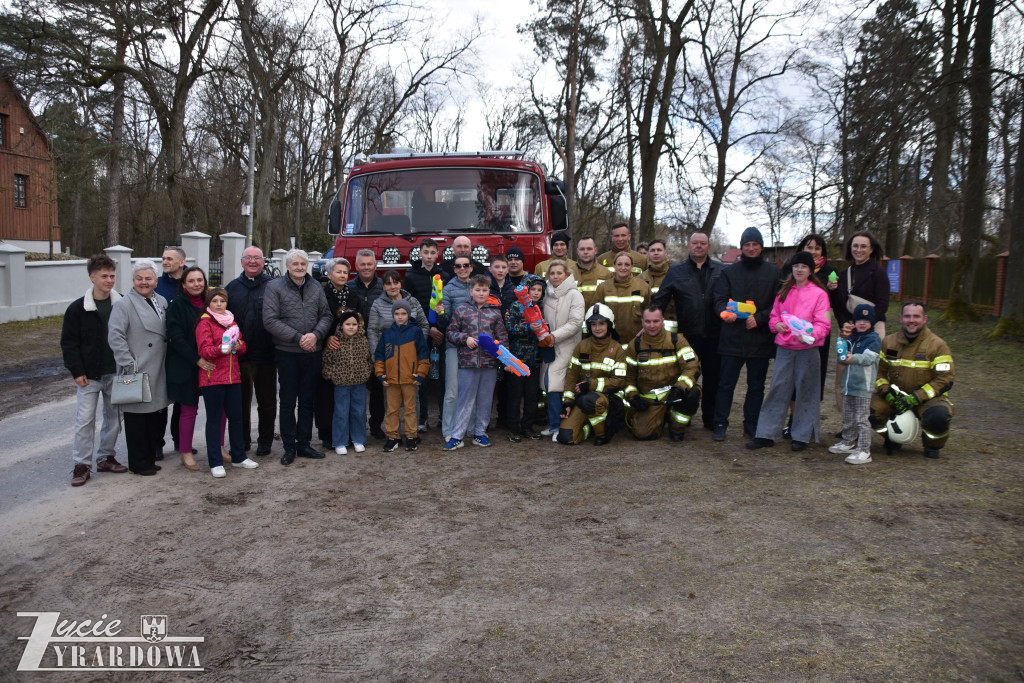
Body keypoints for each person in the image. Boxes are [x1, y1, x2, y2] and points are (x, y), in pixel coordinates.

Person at [746, 251, 832, 451]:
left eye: (803, 267)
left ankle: (801, 435)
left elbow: (823, 324)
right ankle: (766, 433)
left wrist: (811, 335)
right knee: (777, 388)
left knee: (806, 391)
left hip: (808, 349)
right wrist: (776, 326)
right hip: (785, 348)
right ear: (792, 269)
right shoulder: (784, 290)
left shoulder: (820, 294)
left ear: (810, 270)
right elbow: (775, 316)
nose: (799, 270)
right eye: (796, 266)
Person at [61, 254, 127, 486]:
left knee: (114, 419)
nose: (109, 280)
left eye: (112, 276)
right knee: (85, 420)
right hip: (89, 375)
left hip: (115, 373)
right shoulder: (78, 308)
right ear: (92, 277)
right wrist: (77, 371)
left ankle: (106, 457)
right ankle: (82, 464)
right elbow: (69, 342)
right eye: (104, 276)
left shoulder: (121, 304)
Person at [263, 248, 333, 465]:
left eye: (303, 264)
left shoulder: (315, 287)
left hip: (312, 352)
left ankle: (303, 443)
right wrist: (298, 337)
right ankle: (289, 446)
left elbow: (326, 315)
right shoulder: (274, 287)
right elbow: (270, 320)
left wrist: (315, 335)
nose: (300, 267)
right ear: (287, 266)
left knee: (307, 400)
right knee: (287, 401)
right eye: (295, 264)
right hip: (287, 353)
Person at [711, 227, 781, 442]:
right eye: (747, 245)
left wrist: (759, 318)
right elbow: (719, 299)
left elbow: (779, 304)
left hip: (759, 339)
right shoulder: (728, 272)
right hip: (732, 338)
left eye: (755, 245)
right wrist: (725, 314)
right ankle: (720, 423)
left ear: (761, 247)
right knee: (725, 385)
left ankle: (751, 424)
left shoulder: (774, 273)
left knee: (756, 386)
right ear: (741, 247)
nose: (751, 248)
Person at [107, 259, 171, 476]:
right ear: (133, 280)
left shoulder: (161, 300)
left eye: (148, 278)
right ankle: (138, 462)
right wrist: (128, 363)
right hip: (138, 368)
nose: (144, 282)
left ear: (155, 280)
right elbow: (115, 336)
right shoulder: (124, 304)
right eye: (139, 278)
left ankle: (149, 457)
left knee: (154, 416)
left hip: (158, 366)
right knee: (136, 418)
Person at [653, 231, 722, 430]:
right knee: (686, 378)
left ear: (708, 247)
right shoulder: (676, 271)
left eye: (703, 243)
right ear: (689, 246)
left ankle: (711, 419)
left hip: (715, 335)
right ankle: (683, 414)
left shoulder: (720, 270)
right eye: (695, 243)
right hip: (688, 336)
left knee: (713, 380)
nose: (698, 246)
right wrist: (649, 322)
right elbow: (661, 299)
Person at [869, 302, 955, 459]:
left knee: (939, 415)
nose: (911, 320)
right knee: (870, 409)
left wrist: (916, 398)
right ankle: (893, 437)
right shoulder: (889, 342)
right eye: (907, 316)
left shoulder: (938, 345)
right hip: (896, 397)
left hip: (928, 399)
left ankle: (932, 444)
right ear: (901, 318)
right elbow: (877, 372)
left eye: (916, 316)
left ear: (925, 319)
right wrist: (886, 391)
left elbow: (945, 378)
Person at [195, 288, 260, 477]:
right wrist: (223, 348)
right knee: (214, 420)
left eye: (222, 301)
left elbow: (241, 345)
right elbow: (204, 350)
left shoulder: (231, 321)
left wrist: (238, 346)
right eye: (215, 301)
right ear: (209, 303)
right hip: (213, 378)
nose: (219, 304)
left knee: (237, 417)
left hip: (233, 377)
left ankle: (239, 456)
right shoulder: (205, 323)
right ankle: (215, 462)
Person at [778, 233, 838, 437]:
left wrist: (835, 290)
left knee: (812, 381)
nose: (812, 251)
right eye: (808, 247)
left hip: (816, 337)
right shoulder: (790, 270)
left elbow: (835, 305)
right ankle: (793, 421)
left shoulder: (830, 273)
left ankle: (808, 423)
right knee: (791, 382)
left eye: (817, 248)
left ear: (822, 252)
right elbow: (780, 300)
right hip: (790, 337)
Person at [443, 274, 509, 450]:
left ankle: (480, 433)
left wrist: (506, 359)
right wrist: (465, 339)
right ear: (471, 291)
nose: (481, 293)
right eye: (478, 290)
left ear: (489, 291)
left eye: (484, 290)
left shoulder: (494, 312)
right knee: (465, 400)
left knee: (485, 400)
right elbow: (450, 332)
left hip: (489, 364)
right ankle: (457, 436)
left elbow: (502, 338)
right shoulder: (461, 310)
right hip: (467, 363)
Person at [225, 246, 277, 456]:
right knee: (239, 403)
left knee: (267, 402)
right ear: (242, 262)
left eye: (257, 258)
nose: (253, 262)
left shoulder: (273, 286)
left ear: (264, 262)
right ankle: (242, 441)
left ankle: (265, 441)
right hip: (239, 357)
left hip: (267, 355)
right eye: (249, 258)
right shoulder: (232, 288)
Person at [164, 266, 217, 471]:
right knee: (189, 409)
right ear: (184, 284)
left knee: (216, 407)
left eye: (200, 280)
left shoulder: (210, 303)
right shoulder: (177, 305)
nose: (197, 284)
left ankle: (219, 447)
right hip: (186, 364)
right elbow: (176, 338)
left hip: (211, 363)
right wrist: (196, 359)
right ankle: (185, 452)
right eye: (192, 281)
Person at [623, 306, 701, 441]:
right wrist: (633, 397)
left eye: (656, 321)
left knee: (693, 393)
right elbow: (627, 376)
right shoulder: (634, 345)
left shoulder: (676, 340)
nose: (652, 325)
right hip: (651, 398)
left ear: (663, 321)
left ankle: (676, 426)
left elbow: (692, 365)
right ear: (642, 322)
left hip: (674, 393)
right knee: (643, 434)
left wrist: (680, 387)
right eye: (648, 322)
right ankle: (659, 417)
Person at [556, 303, 628, 445]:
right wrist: (568, 402)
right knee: (566, 436)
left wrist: (591, 385)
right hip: (584, 399)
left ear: (609, 324)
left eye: (601, 323)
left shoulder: (617, 349)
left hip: (608, 398)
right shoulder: (582, 346)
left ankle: (602, 433)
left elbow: (619, 381)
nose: (597, 328)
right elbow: (572, 377)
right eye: (593, 324)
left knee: (591, 400)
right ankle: (592, 429)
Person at [403, 239, 449, 432]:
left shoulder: (445, 275)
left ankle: (443, 417)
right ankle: (421, 419)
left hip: (441, 333)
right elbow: (410, 306)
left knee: (441, 378)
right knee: (421, 376)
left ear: (437, 254)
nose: (429, 256)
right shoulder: (411, 277)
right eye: (426, 252)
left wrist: (439, 327)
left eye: (432, 252)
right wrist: (428, 328)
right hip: (421, 333)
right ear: (420, 254)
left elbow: (446, 305)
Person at [375, 299, 431, 452]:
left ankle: (411, 436)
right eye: (397, 313)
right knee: (392, 409)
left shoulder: (415, 332)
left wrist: (420, 374)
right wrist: (381, 374)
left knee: (410, 409)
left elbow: (423, 354)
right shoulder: (387, 334)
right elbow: (380, 355)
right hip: (391, 380)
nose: (400, 316)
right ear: (393, 315)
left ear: (408, 314)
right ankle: (393, 437)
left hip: (410, 379)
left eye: (403, 313)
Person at [829, 303, 881, 465]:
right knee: (848, 416)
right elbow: (841, 355)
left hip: (863, 387)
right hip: (848, 385)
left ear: (872, 322)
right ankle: (848, 441)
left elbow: (868, 358)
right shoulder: (852, 338)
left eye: (866, 320)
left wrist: (853, 358)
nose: (862, 323)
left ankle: (864, 450)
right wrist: (842, 341)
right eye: (859, 320)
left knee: (861, 418)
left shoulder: (873, 339)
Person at [315, 257, 357, 448]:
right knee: (326, 395)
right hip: (329, 350)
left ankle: (345, 433)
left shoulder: (352, 295)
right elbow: (316, 319)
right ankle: (327, 434)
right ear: (329, 274)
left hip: (349, 352)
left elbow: (359, 321)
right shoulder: (321, 294)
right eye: (338, 272)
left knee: (346, 396)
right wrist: (326, 337)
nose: (342, 275)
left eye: (345, 272)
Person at [540, 260, 585, 439]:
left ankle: (559, 425)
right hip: (549, 347)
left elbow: (575, 323)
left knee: (556, 385)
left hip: (567, 346)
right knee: (549, 386)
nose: (556, 276)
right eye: (552, 273)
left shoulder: (575, 295)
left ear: (566, 274)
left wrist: (554, 336)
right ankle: (553, 424)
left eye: (559, 273)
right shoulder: (546, 294)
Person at [322, 310, 372, 455]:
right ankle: (340, 441)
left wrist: (366, 372)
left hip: (359, 382)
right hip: (341, 383)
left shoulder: (363, 341)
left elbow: (368, 359)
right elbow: (327, 360)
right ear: (341, 325)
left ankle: (358, 439)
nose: (351, 327)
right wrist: (331, 375)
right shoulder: (336, 342)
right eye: (348, 324)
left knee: (359, 411)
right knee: (341, 412)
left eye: (354, 324)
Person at [347, 249, 385, 439]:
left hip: (379, 343)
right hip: (355, 346)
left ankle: (376, 425)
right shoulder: (348, 287)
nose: (366, 267)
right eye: (362, 264)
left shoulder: (384, 286)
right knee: (358, 389)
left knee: (378, 389)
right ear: (356, 266)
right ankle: (357, 428)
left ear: (375, 265)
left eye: (370, 264)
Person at [504, 274, 546, 442]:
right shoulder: (515, 306)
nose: (536, 293)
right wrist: (528, 329)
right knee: (514, 395)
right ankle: (513, 428)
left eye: (539, 290)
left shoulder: (541, 307)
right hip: (517, 358)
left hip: (535, 360)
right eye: (532, 290)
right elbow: (510, 328)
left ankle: (528, 426)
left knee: (531, 396)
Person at [438, 254, 476, 439]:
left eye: (466, 265)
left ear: (471, 267)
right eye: (458, 266)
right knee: (452, 390)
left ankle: (471, 427)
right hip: (454, 344)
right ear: (454, 269)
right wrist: (440, 314)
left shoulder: (478, 287)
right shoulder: (448, 289)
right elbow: (445, 321)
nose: (462, 268)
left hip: (475, 346)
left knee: (471, 389)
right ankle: (449, 430)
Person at [155, 245, 187, 456]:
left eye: (169, 259)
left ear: (181, 262)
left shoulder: (191, 283)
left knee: (183, 399)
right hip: (161, 349)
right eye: (164, 258)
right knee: (160, 399)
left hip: (184, 351)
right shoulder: (156, 285)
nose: (165, 262)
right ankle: (157, 444)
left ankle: (180, 439)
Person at [368, 271, 428, 362]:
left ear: (401, 284)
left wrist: (418, 346)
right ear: (383, 286)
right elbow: (372, 331)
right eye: (388, 283)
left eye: (396, 282)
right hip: (387, 355)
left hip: (411, 353)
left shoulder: (413, 301)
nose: (393, 286)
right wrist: (376, 356)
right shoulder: (377, 304)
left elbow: (424, 325)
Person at [594, 252, 651, 342]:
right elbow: (595, 314)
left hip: (636, 341)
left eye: (627, 264)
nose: (623, 268)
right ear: (614, 266)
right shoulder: (603, 287)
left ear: (632, 266)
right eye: (619, 264)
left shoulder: (643, 287)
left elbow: (650, 312)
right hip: (610, 341)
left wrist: (646, 329)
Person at [639, 239, 673, 329]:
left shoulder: (675, 276)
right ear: (648, 254)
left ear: (665, 253)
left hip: (671, 330)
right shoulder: (640, 279)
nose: (656, 253)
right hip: (648, 329)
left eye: (659, 250)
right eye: (652, 250)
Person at [572, 236, 612, 311]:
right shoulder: (568, 273)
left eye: (589, 249)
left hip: (599, 320)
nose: (585, 252)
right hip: (575, 320)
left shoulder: (607, 274)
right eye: (582, 249)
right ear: (577, 251)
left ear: (595, 250)